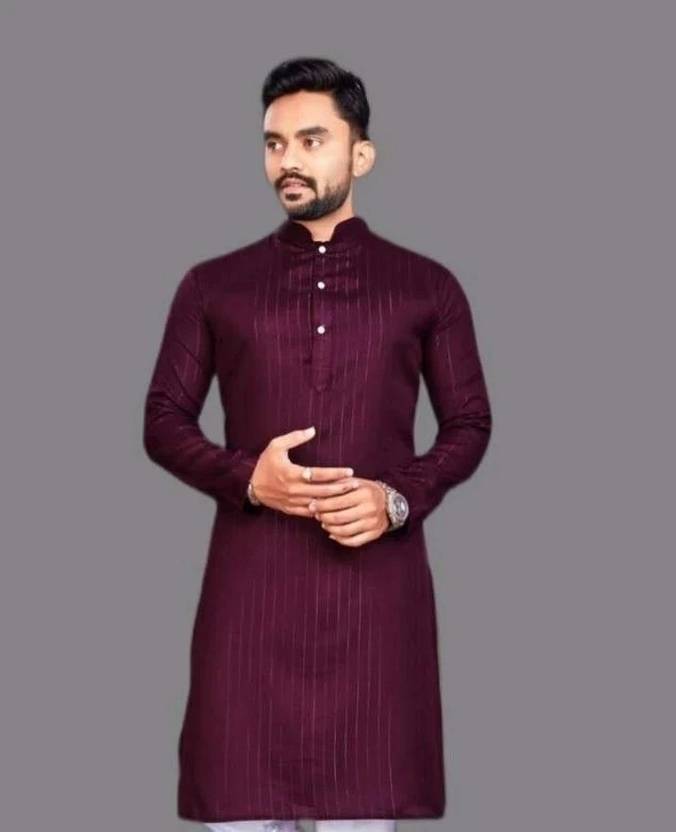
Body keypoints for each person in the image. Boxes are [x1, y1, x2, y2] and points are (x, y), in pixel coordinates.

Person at [143, 56, 492, 832]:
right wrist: (247, 478)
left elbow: (469, 421)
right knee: (237, 807)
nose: (288, 161)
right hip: (250, 603)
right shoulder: (213, 285)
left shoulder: (426, 286)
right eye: (274, 144)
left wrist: (395, 499)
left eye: (311, 140)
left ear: (361, 154)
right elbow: (163, 418)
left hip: (375, 608)